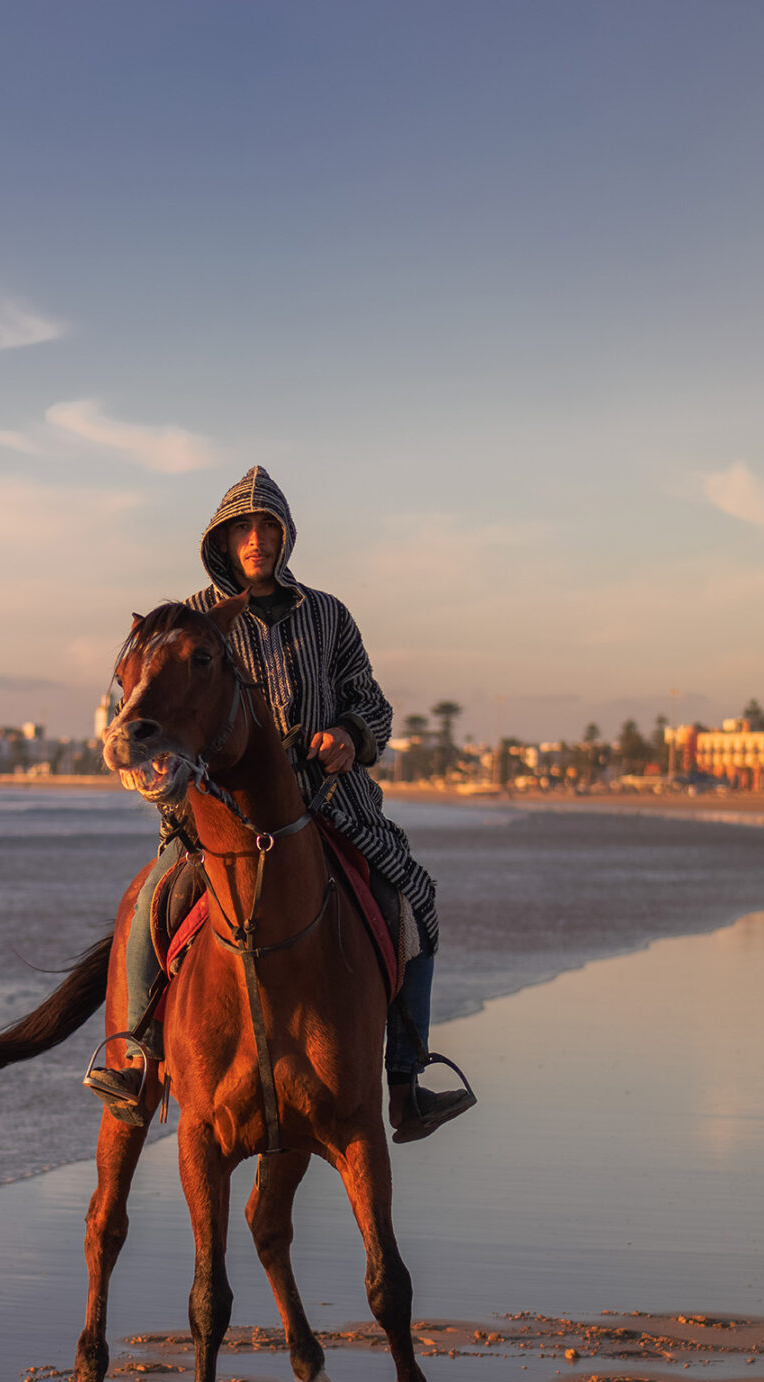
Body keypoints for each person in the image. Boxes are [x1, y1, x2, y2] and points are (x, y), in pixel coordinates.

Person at [88, 466, 474, 1143]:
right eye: (244, 528)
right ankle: (137, 1058)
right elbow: (139, 711)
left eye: (269, 528)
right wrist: (157, 768)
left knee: (412, 898)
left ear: (285, 537)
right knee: (154, 899)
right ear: (224, 539)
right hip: (217, 811)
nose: (257, 539)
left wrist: (351, 737)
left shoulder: (328, 615)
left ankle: (407, 1080)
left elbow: (371, 703)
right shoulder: (185, 620)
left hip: (329, 805)